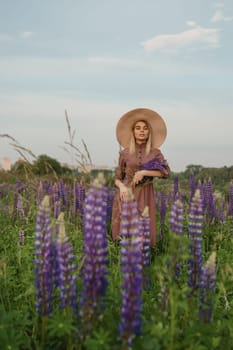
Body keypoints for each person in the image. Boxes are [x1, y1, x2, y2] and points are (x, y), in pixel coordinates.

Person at [111, 108, 170, 247]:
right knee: (125, 234)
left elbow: (166, 173)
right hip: (125, 195)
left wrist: (144, 172)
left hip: (145, 194)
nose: (141, 131)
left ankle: (143, 265)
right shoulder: (124, 153)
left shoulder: (155, 153)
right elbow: (117, 177)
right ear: (133, 131)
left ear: (149, 132)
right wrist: (121, 187)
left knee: (142, 234)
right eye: (138, 128)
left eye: (145, 128)